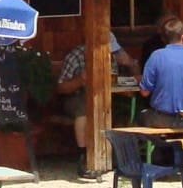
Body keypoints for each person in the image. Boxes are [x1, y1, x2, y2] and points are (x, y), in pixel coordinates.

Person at [54, 33, 139, 177]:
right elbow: (61, 88)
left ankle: (120, 155)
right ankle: (84, 156)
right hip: (76, 97)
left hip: (106, 96)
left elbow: (135, 78)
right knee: (84, 108)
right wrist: (80, 80)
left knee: (121, 108)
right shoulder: (76, 56)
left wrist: (131, 63)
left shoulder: (113, 55)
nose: (110, 53)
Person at [139, 16, 183, 130]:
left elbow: (144, 92)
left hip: (162, 119)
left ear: (163, 39)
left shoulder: (156, 56)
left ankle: (154, 147)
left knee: (140, 116)